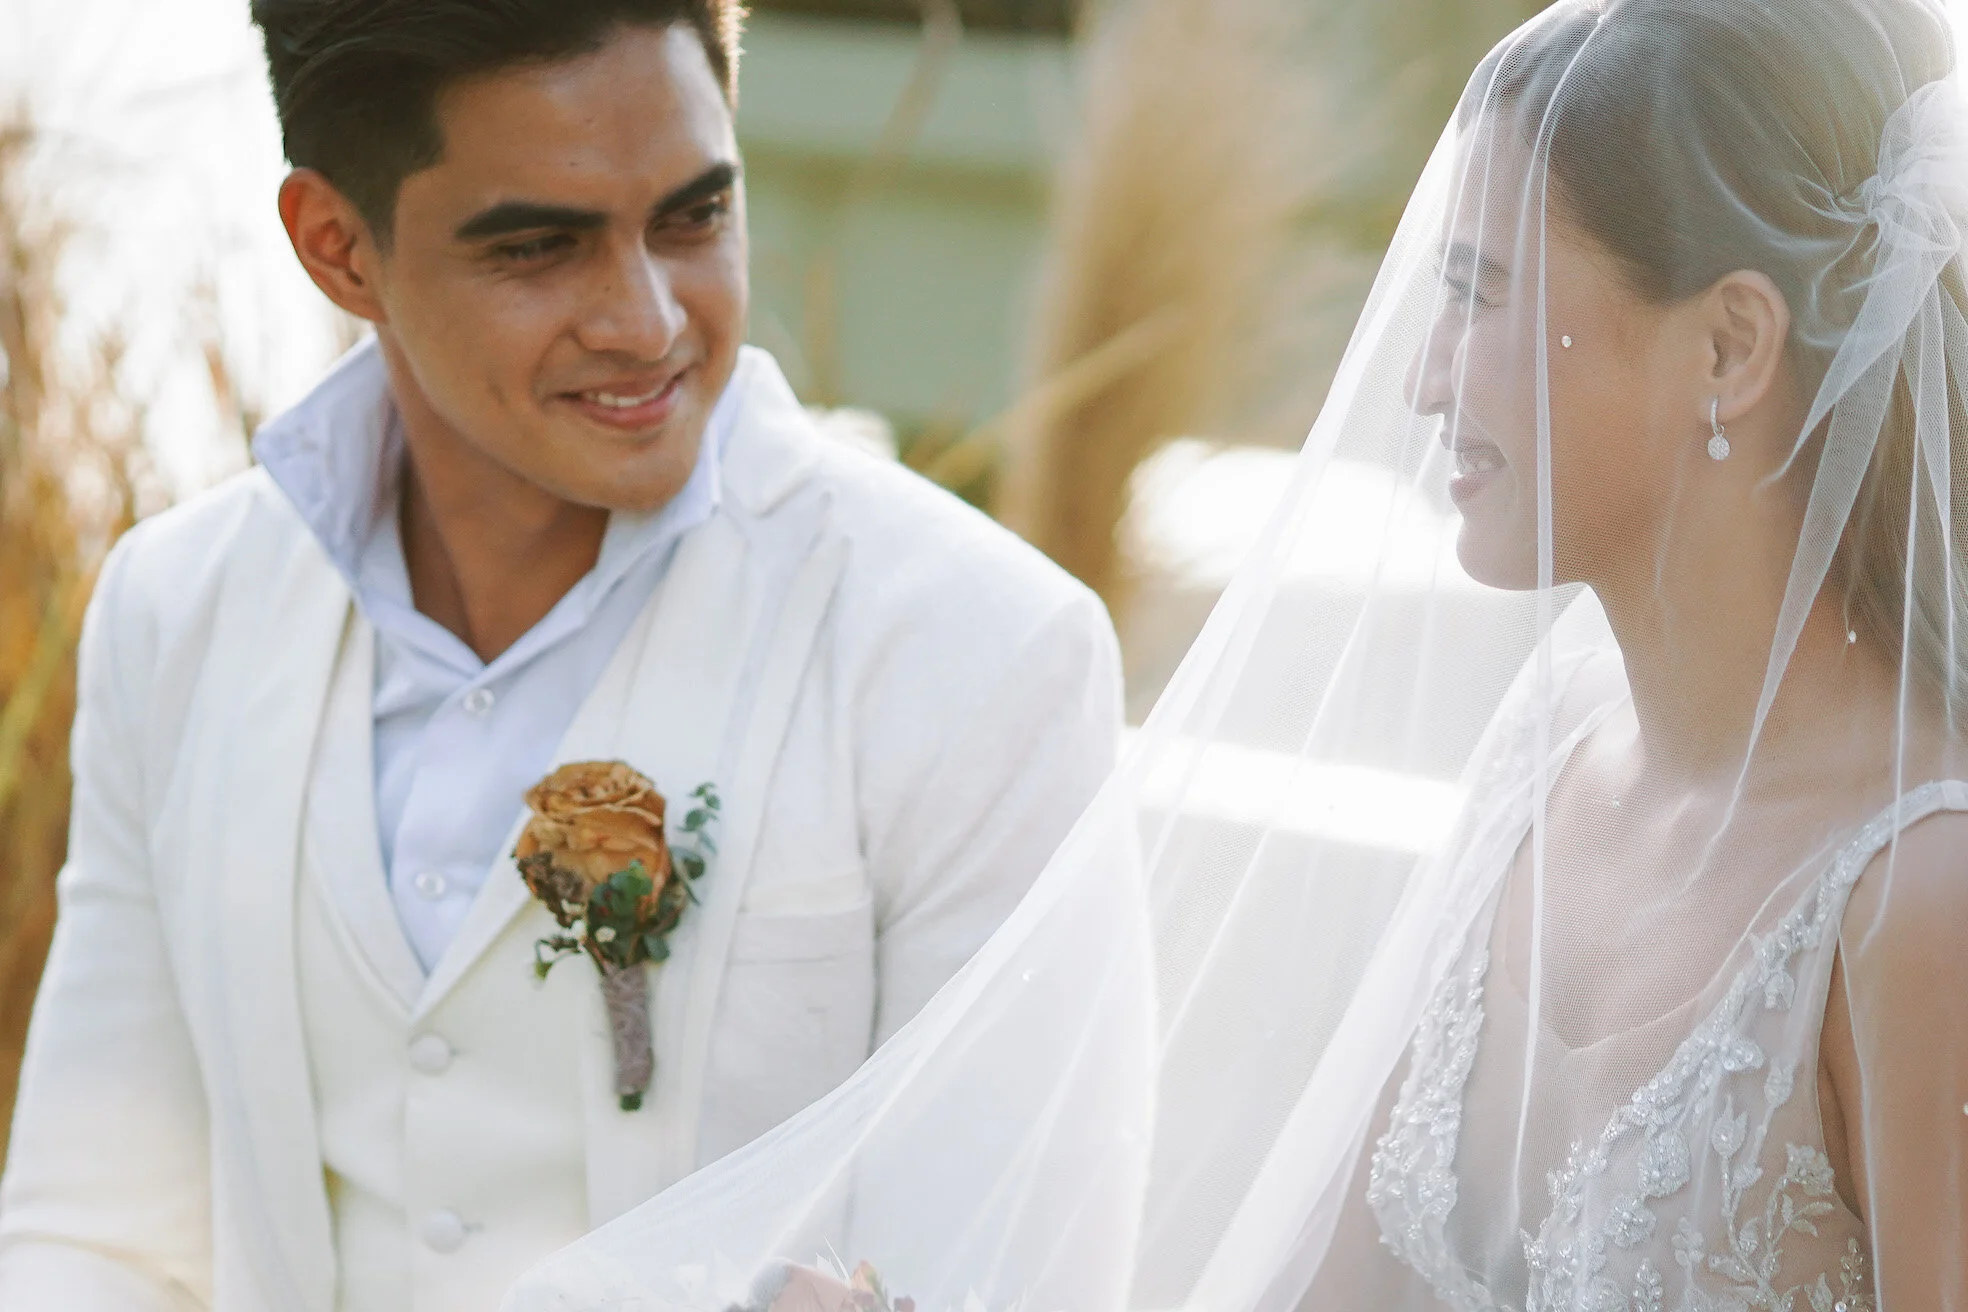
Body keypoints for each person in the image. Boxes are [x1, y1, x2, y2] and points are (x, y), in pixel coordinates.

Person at [498, 0, 1968, 1308]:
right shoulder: (1551, 751)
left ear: (1730, 347)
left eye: (1480, 292)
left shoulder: (1918, 900)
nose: (1424, 377)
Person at [0, 3, 1124, 1309]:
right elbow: (98, 1238)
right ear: (337, 247)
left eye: (695, 217)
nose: (648, 322)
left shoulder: (981, 653)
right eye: (540, 247)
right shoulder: (176, 613)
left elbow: (1010, 1276)